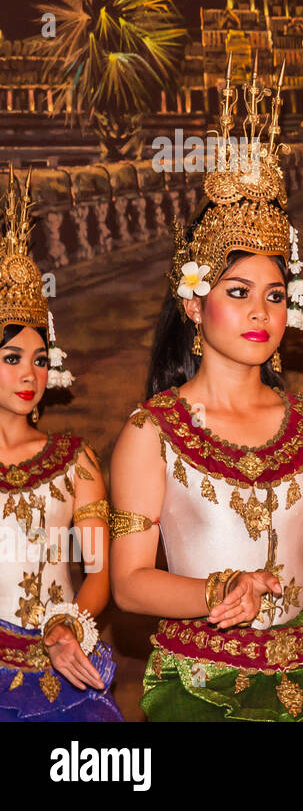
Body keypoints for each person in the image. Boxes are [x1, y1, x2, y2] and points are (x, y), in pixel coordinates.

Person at [108, 67, 303, 720]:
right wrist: (217, 590)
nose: (260, 313)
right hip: (200, 678)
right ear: (193, 303)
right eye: (237, 292)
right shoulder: (150, 432)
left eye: (274, 295)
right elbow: (129, 584)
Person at [0, 172, 121, 721]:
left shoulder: (76, 460)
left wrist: (68, 625)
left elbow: (99, 574)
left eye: (41, 360)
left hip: (62, 662)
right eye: (12, 358)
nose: (31, 375)